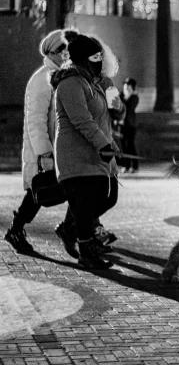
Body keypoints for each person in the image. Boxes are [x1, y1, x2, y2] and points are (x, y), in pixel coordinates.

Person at [50, 34, 123, 269]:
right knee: (87, 202)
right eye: (95, 56)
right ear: (82, 58)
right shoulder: (71, 83)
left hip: (96, 151)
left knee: (107, 197)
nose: (99, 60)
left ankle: (72, 230)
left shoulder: (102, 84)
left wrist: (117, 108)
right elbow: (82, 120)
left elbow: (111, 114)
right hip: (77, 155)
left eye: (101, 56)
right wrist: (104, 144)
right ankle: (85, 248)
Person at [3, 29, 78, 253]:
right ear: (51, 52)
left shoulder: (59, 75)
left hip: (58, 148)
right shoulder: (42, 79)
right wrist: (45, 153)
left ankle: (71, 228)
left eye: (67, 49)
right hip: (43, 151)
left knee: (71, 187)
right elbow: (35, 121)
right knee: (37, 194)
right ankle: (16, 230)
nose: (66, 54)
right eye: (61, 50)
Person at [120, 77, 139, 173]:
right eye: (126, 85)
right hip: (122, 124)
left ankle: (135, 166)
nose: (126, 87)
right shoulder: (121, 96)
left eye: (129, 85)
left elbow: (129, 108)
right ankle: (126, 165)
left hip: (131, 124)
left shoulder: (134, 97)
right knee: (123, 145)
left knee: (131, 145)